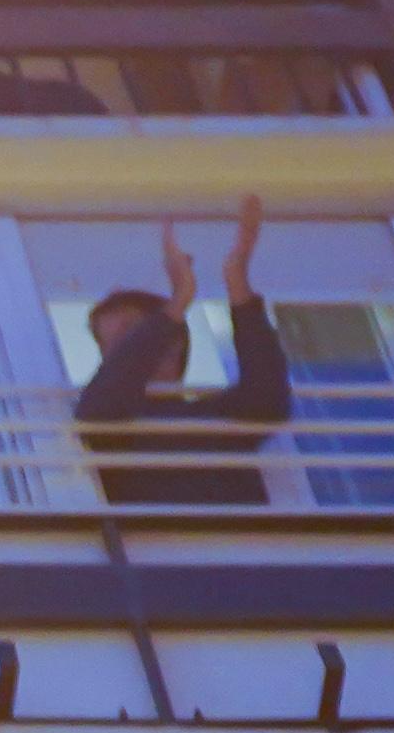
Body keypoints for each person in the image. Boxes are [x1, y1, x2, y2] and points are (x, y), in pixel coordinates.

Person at [73, 196, 292, 510]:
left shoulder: (215, 416)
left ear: (171, 340)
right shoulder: (112, 427)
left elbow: (268, 399)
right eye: (109, 347)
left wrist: (238, 281)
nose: (120, 354)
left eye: (129, 335)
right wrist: (179, 299)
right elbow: (97, 411)